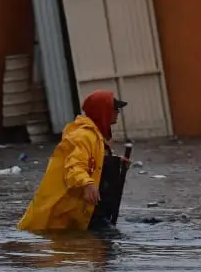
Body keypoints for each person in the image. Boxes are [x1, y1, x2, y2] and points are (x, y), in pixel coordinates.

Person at [17, 90, 128, 232]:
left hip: (87, 213)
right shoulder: (83, 136)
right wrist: (87, 184)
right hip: (65, 216)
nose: (118, 112)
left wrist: (117, 162)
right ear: (103, 111)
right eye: (114, 109)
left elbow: (94, 163)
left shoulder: (97, 136)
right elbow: (74, 166)